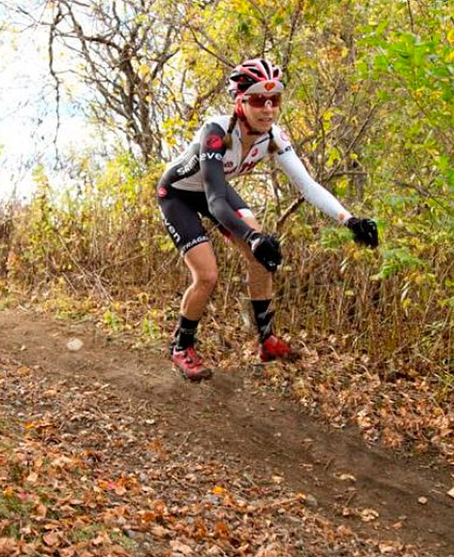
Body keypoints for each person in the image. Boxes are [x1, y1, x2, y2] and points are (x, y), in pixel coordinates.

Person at [156, 58, 378, 382]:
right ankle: (181, 346)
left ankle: (266, 341)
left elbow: (308, 185)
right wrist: (251, 235)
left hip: (213, 192)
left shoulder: (273, 136)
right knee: (207, 275)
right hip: (179, 196)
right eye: (259, 100)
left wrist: (349, 219)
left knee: (263, 257)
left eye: (275, 101)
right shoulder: (216, 132)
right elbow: (217, 200)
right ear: (240, 101)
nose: (268, 109)